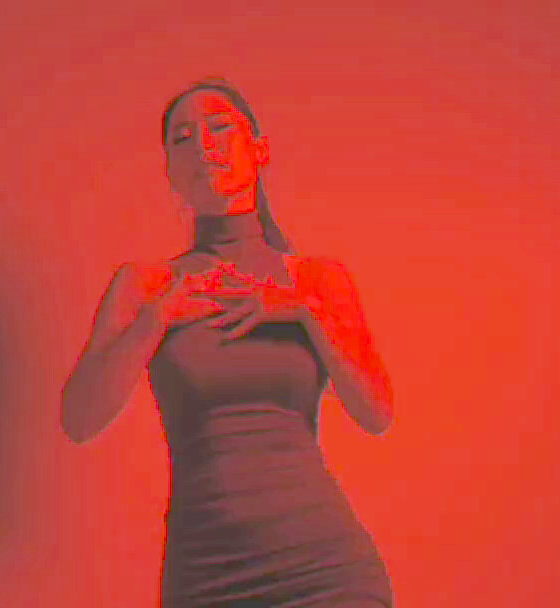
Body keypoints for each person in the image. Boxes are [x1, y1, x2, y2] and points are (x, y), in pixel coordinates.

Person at [61, 78, 395, 607]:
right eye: (182, 138)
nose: (202, 145)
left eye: (219, 127)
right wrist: (155, 321)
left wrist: (303, 310)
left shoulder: (317, 281)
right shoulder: (145, 287)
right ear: (170, 172)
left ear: (259, 149)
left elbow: (376, 413)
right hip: (206, 575)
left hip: (326, 574)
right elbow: (78, 420)